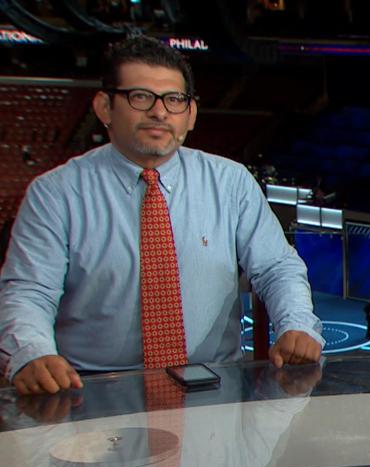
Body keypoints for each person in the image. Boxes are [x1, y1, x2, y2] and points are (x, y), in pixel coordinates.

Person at [0, 35, 324, 396]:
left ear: (191, 114)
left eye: (174, 99)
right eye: (140, 97)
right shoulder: (55, 192)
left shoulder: (231, 182)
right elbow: (29, 290)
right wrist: (33, 352)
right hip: (93, 390)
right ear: (104, 107)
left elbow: (277, 267)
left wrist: (297, 325)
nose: (159, 112)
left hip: (215, 386)